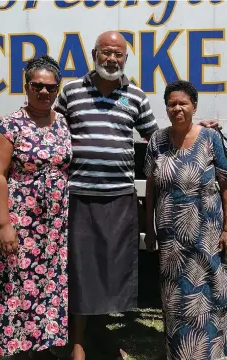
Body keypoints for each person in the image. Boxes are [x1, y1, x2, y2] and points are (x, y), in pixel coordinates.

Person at [54, 30, 158, 360]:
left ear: (125, 58)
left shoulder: (137, 97)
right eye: (106, 52)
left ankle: (101, 332)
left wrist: (199, 129)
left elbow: (156, 138)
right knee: (82, 269)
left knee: (114, 270)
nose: (112, 59)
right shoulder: (71, 92)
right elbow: (49, 129)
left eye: (119, 54)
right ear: (94, 53)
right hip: (79, 197)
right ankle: (79, 342)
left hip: (119, 197)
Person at [144, 79, 227, 360]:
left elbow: (225, 186)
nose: (177, 108)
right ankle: (179, 352)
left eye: (183, 103)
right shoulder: (157, 140)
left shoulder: (210, 138)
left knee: (208, 292)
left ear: (194, 106)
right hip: (170, 236)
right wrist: (151, 229)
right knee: (174, 297)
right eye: (172, 103)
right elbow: (151, 187)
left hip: (207, 231)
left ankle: (208, 353)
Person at [0, 55, 72, 359]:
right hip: (22, 221)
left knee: (49, 283)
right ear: (26, 86)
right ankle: (18, 347)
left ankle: (45, 345)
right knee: (18, 284)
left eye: (50, 88)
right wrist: (3, 224)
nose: (44, 92)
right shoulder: (11, 124)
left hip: (55, 225)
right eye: (37, 86)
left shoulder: (63, 122)